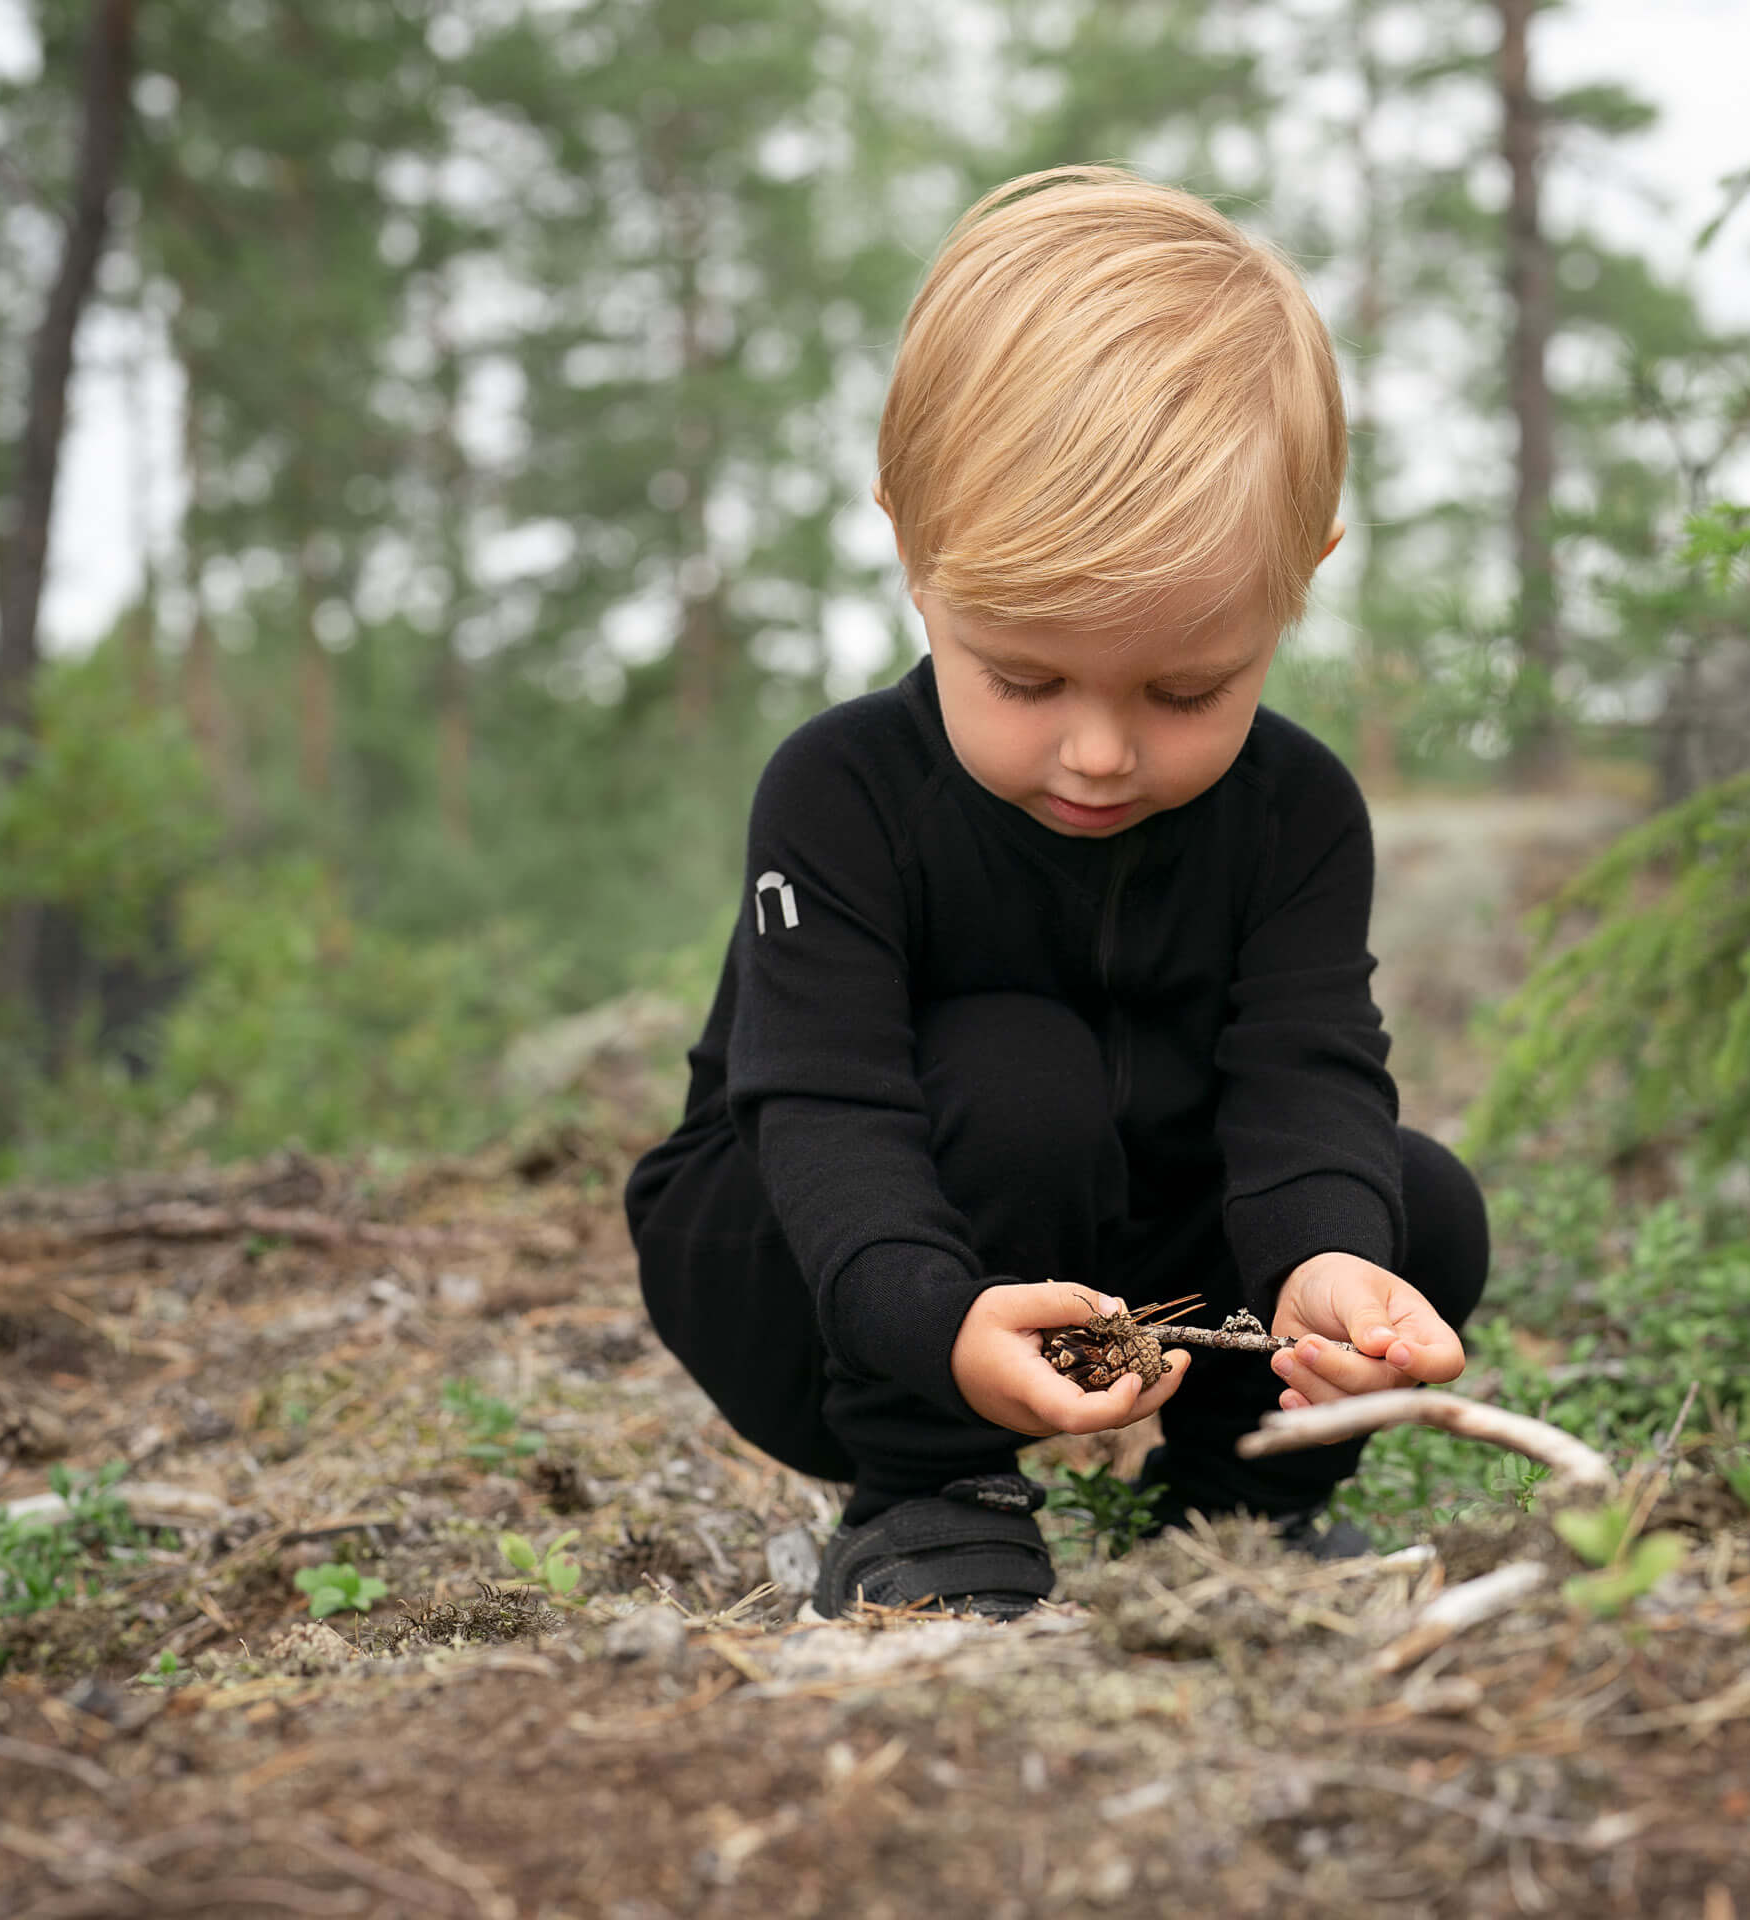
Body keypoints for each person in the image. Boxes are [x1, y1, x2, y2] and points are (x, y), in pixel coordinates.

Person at [623, 164, 1489, 1619]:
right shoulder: (838, 794)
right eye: (1024, 677)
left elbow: (1304, 1073)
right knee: (1019, 1071)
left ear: (1299, 582)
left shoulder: (1297, 816)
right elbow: (822, 1113)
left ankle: (1231, 1516)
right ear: (912, 549)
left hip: (1102, 1241)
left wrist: (1329, 1263)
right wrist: (936, 1323)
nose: (1098, 751)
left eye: (1185, 688)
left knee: (1412, 1205)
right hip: (804, 1256)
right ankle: (931, 1497)